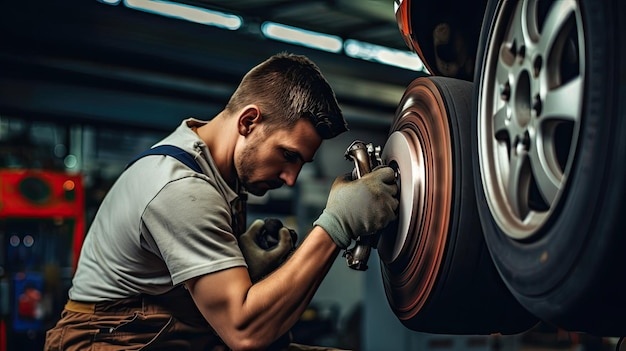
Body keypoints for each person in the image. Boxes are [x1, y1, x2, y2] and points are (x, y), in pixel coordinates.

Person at [44, 52, 398, 351]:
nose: (290, 178)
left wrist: (241, 261)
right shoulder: (181, 188)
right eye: (287, 155)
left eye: (300, 164)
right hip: (107, 342)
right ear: (248, 121)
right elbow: (244, 332)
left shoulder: (218, 171)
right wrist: (336, 224)